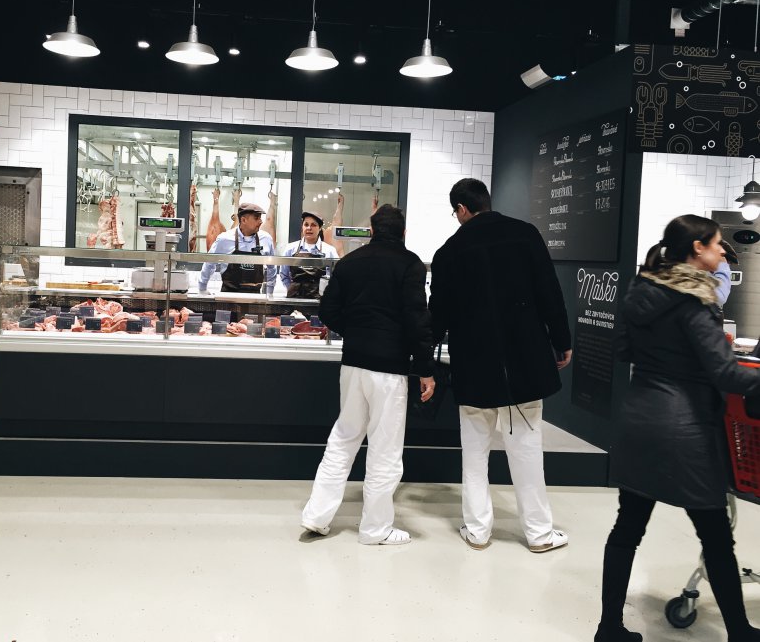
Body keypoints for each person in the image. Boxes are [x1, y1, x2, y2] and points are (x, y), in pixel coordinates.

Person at [595, 214, 760, 642]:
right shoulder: (695, 303)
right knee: (716, 537)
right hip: (685, 434)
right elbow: (725, 374)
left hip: (639, 423)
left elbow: (623, 350)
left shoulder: (641, 291)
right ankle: (740, 632)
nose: (723, 251)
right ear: (697, 249)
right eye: (717, 244)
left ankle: (609, 628)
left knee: (627, 530)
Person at [429, 178, 572, 553]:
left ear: (461, 209)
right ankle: (539, 534)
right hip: (525, 363)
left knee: (474, 456)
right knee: (527, 451)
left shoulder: (449, 252)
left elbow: (438, 316)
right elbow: (549, 292)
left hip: (474, 368)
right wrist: (562, 341)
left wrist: (423, 356)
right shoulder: (525, 235)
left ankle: (478, 531)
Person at [301, 204, 435, 545]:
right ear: (403, 233)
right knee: (385, 449)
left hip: (353, 364)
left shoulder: (350, 262)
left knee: (343, 438)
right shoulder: (410, 264)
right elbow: (417, 319)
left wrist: (356, 332)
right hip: (389, 369)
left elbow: (328, 310)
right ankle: (375, 529)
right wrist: (425, 369)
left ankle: (316, 516)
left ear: (372, 231)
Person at [197, 202, 276, 294]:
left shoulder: (266, 239)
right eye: (256, 218)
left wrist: (270, 292)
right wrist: (202, 288)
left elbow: (272, 268)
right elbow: (209, 263)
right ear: (243, 220)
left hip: (254, 297)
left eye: (260, 218)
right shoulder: (224, 239)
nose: (260, 221)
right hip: (228, 297)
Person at [279, 210, 339, 298]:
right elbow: (284, 274)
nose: (309, 228)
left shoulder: (329, 251)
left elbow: (336, 277)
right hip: (294, 299)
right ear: (302, 227)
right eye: (306, 224)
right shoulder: (290, 249)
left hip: (319, 300)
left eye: (313, 225)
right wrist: (291, 289)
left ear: (320, 228)